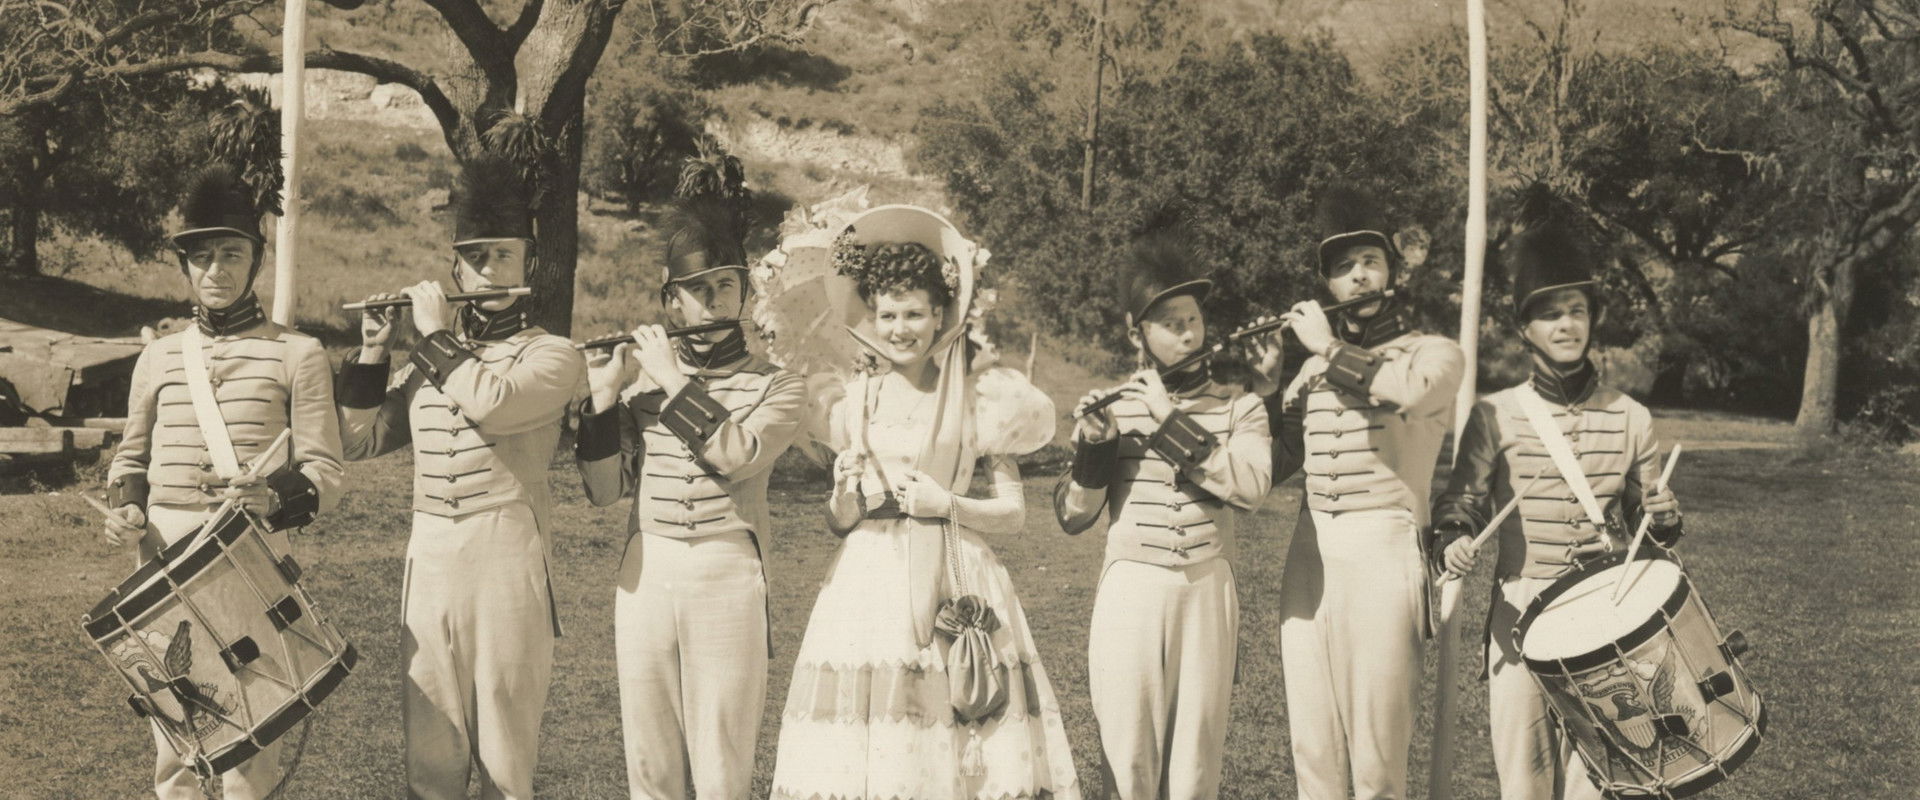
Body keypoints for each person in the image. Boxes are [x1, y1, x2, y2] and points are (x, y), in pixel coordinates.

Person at [768, 205, 1080, 800]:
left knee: (953, 716)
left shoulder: (977, 396)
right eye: (888, 315)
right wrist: (842, 494)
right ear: (871, 318)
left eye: (914, 313)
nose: (900, 329)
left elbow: (1014, 515)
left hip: (954, 573)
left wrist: (947, 503)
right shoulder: (855, 399)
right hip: (866, 581)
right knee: (873, 726)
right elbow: (843, 521)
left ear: (942, 315)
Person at [337, 155, 584, 800]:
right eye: (476, 258)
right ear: (456, 270)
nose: (490, 271)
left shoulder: (554, 355)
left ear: (530, 264)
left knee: (504, 752)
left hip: (505, 556)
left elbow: (492, 402)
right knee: (431, 753)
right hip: (430, 559)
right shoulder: (430, 359)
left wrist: (432, 335)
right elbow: (357, 441)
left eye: (504, 256)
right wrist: (373, 351)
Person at [103, 164, 346, 799]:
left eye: (231, 254)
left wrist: (274, 498)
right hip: (161, 553)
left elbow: (325, 470)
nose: (216, 270)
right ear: (185, 265)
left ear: (255, 260)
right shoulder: (159, 355)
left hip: (249, 550)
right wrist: (127, 510)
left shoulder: (299, 353)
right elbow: (129, 460)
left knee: (249, 734)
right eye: (202, 256)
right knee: (175, 737)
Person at [1430, 195, 1683, 800]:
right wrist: (1454, 540)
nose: (1566, 325)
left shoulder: (1631, 416)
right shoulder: (1495, 414)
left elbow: (1645, 526)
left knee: (1604, 776)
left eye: (1576, 311)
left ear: (1592, 320)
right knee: (1525, 775)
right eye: (1550, 315)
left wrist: (1664, 518)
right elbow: (1460, 503)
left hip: (1606, 606)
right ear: (1526, 328)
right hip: (1520, 611)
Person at [575, 199, 806, 799]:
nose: (713, 301)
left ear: (744, 293)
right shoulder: (642, 387)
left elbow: (735, 454)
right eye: (697, 289)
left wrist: (673, 380)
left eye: (725, 286)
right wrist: (603, 398)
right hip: (647, 568)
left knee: (721, 757)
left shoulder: (778, 384)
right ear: (672, 301)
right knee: (649, 756)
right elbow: (603, 490)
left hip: (726, 567)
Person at [1249, 186, 1464, 800]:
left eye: (1371, 261)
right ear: (1329, 285)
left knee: (1377, 747)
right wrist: (1267, 388)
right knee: (1313, 744)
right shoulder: (1310, 371)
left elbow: (1411, 393)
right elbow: (1273, 464)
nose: (1360, 276)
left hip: (1385, 546)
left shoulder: (1433, 353)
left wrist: (1325, 346)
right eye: (1344, 268)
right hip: (1310, 551)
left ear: (1391, 272)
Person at [1053, 221, 1272, 799]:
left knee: (1196, 757)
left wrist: (1168, 421)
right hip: (1132, 586)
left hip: (1207, 587)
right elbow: (1075, 517)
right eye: (1170, 323)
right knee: (1127, 750)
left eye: (1193, 319)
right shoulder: (1114, 408)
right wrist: (1096, 445)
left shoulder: (1241, 407)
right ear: (1138, 333)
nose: (1187, 334)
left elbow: (1252, 488)